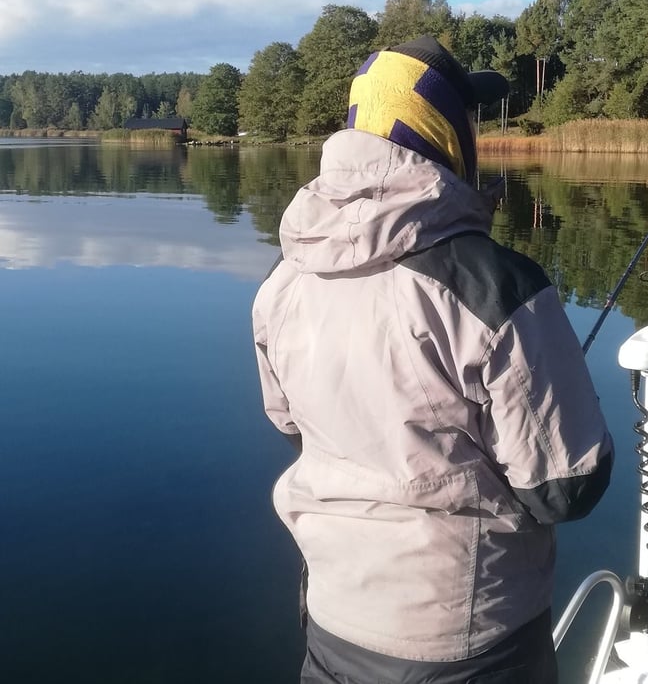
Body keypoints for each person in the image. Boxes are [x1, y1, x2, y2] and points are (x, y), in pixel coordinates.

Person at [252, 35, 614, 683]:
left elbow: (288, 422)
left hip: (334, 622)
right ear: (442, 131)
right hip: (469, 642)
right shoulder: (497, 286)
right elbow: (565, 487)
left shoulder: (284, 279)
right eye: (469, 116)